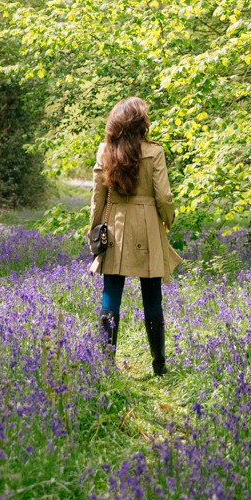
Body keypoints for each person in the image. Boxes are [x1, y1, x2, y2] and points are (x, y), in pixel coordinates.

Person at [88, 97, 181, 375]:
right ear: (141, 123)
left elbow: (97, 197)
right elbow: (164, 195)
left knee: (111, 292)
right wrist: (167, 220)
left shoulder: (105, 150)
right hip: (148, 226)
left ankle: (106, 365)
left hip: (115, 225)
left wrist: (94, 229)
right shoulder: (154, 152)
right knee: (152, 296)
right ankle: (160, 366)